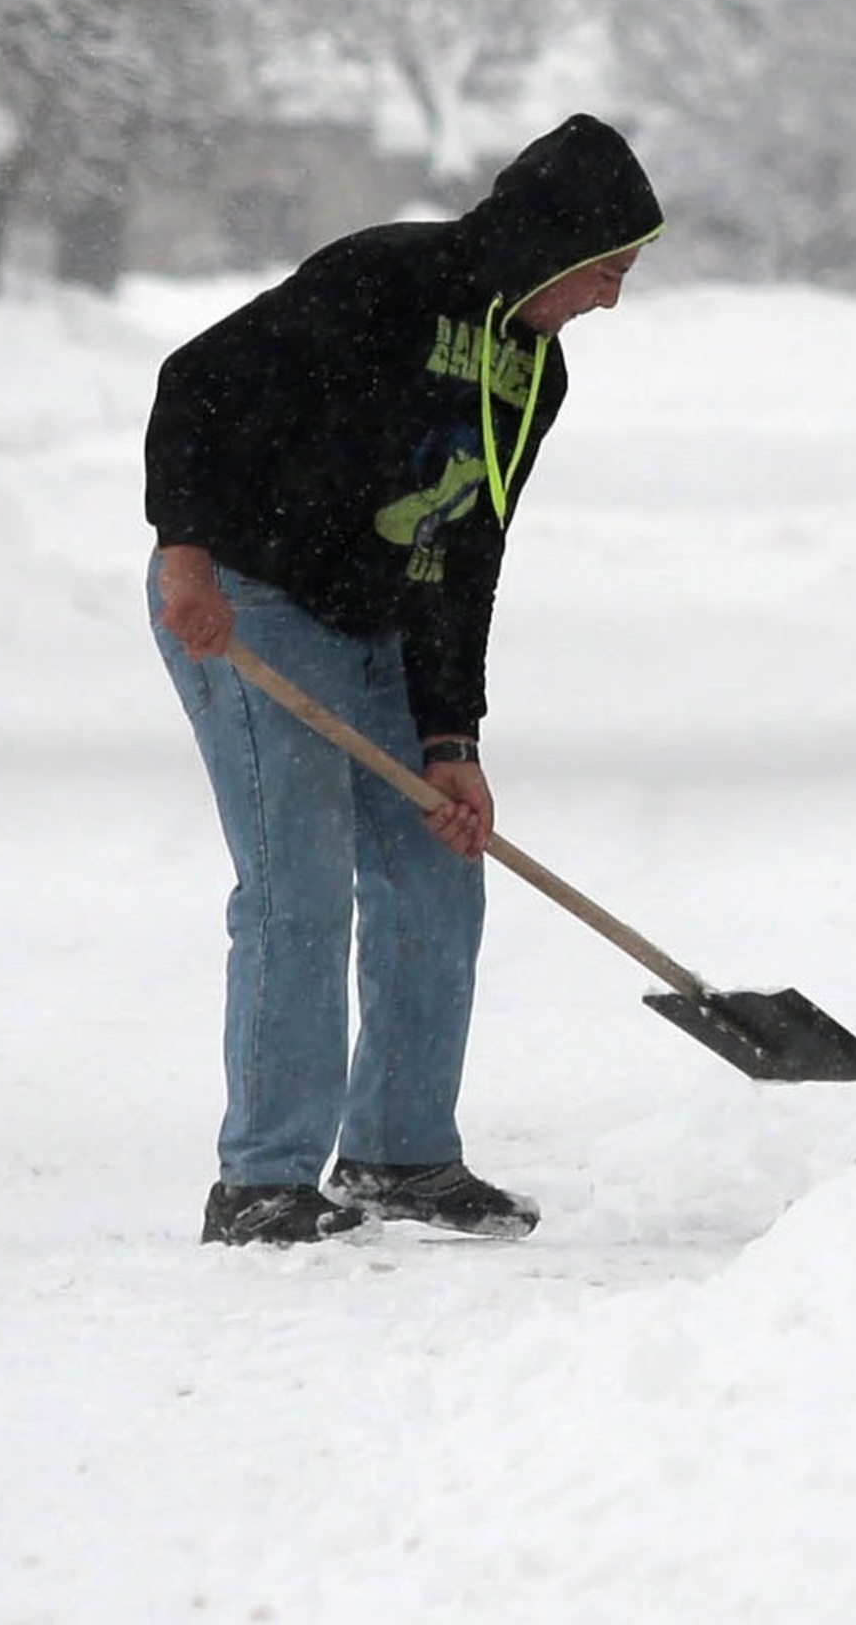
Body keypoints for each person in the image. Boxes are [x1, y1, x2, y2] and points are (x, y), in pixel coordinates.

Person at [144, 113, 664, 1246]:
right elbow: (195, 382)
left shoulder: (534, 374)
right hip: (248, 599)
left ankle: (398, 1152)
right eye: (606, 271)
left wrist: (451, 739)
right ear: (554, 242)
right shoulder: (382, 278)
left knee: (437, 869)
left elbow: (467, 554)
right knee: (300, 884)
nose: (610, 300)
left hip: (379, 622)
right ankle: (262, 1182)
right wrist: (186, 555)